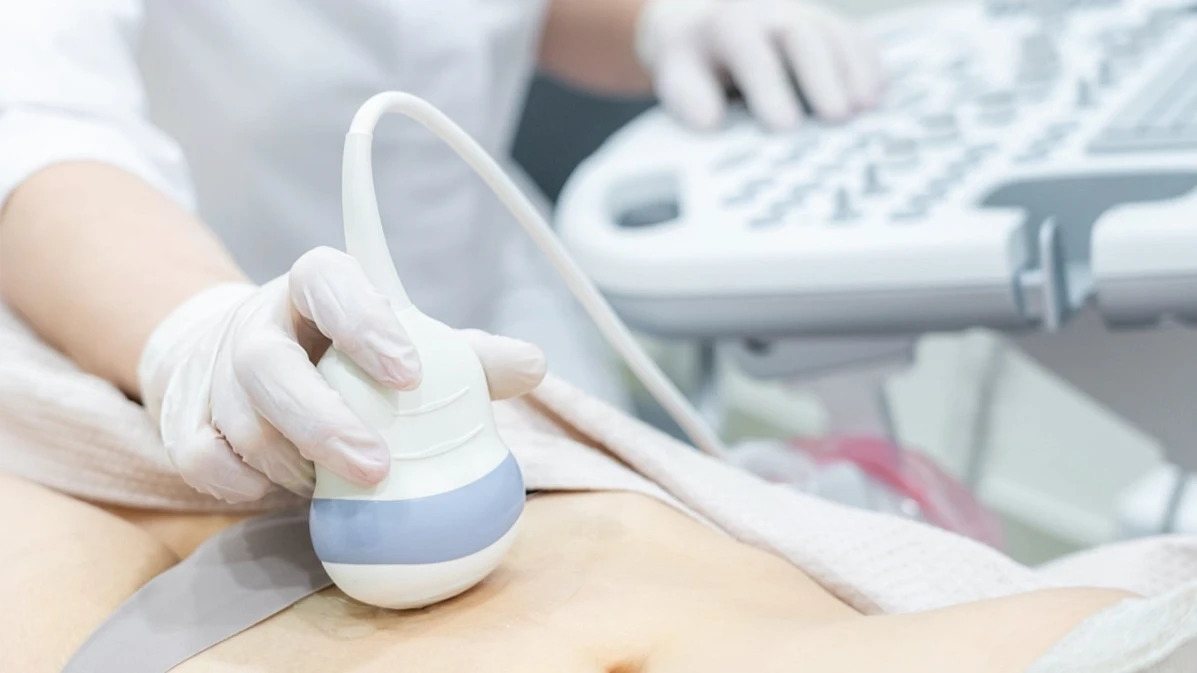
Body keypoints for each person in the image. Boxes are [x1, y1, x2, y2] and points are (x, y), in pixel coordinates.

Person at [0, 0, 883, 504]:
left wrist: (664, 18)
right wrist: (197, 334)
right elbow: (37, 121)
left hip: (490, 296)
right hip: (174, 325)